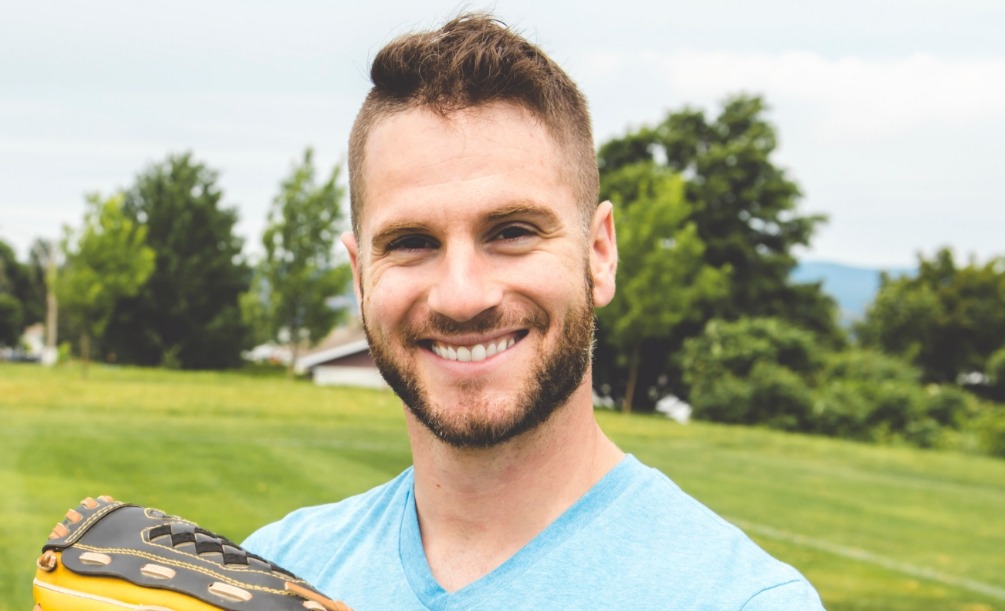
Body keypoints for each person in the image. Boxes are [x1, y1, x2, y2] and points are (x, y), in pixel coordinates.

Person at [243, 13, 824, 609]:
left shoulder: (741, 599)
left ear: (600, 254)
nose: (463, 295)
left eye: (513, 231)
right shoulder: (271, 574)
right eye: (412, 242)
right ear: (360, 275)